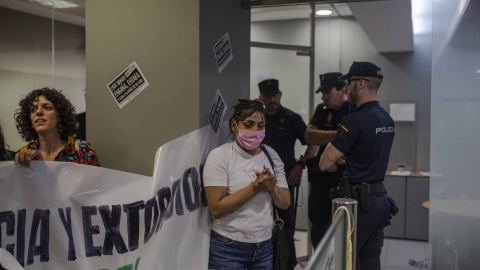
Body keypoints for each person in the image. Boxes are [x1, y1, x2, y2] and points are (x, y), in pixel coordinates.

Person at [319, 62, 394, 270]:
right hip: (379, 202)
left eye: (348, 83)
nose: (346, 88)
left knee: (335, 261)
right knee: (369, 263)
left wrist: (339, 161)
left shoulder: (354, 121)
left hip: (356, 205)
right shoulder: (387, 120)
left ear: (360, 84)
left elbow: (324, 163)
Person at [203, 98, 290, 270]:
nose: (255, 131)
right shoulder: (219, 157)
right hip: (226, 248)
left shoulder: (271, 155)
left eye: (260, 125)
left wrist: (273, 187)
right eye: (248, 125)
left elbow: (285, 203)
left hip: (264, 247)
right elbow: (217, 209)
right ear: (235, 126)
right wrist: (255, 188)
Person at [258, 79, 317, 270]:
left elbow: (313, 143)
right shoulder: (258, 119)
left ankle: (288, 265)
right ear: (261, 98)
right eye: (267, 96)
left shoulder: (292, 118)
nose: (272, 99)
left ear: (280, 95)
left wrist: (300, 164)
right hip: (259, 181)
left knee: (286, 227)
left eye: (275, 95)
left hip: (285, 180)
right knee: (262, 225)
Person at [304, 72, 354, 248]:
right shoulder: (321, 111)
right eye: (322, 93)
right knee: (318, 229)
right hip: (321, 181)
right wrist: (342, 136)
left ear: (342, 90)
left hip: (345, 181)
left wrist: (326, 139)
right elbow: (309, 136)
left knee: (345, 231)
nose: (324, 97)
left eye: (328, 92)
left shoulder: (353, 110)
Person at [14, 87, 100, 167]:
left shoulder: (82, 150)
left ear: (60, 116)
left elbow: (95, 182)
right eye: (33, 109)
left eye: (47, 107)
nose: (38, 112)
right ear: (30, 121)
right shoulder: (23, 155)